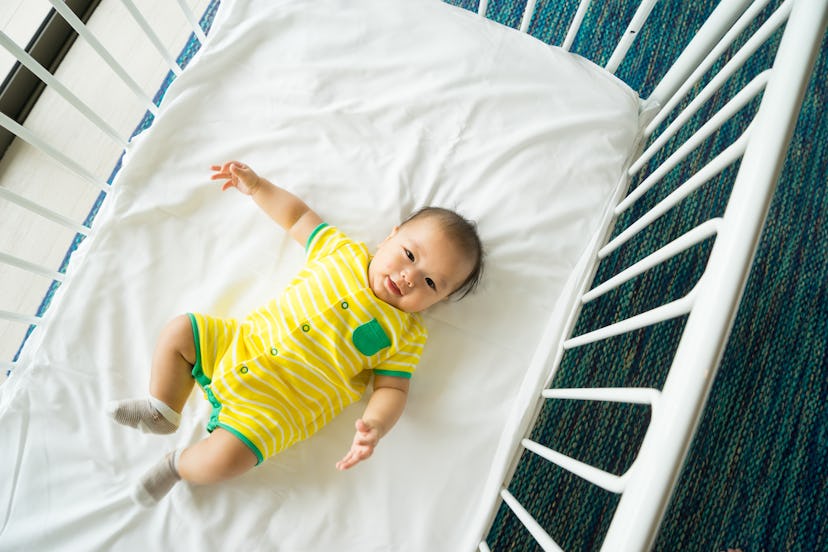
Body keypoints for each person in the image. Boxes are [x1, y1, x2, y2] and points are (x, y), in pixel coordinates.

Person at [107, 161, 484, 506]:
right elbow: (298, 217)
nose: (409, 277)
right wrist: (257, 187)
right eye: (410, 255)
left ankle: (177, 466)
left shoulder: (405, 335)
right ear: (391, 236)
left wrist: (376, 426)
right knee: (181, 331)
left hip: (275, 408)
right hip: (237, 344)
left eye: (431, 282)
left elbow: (392, 389)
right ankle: (163, 409)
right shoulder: (341, 253)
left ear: (440, 299)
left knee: (226, 459)